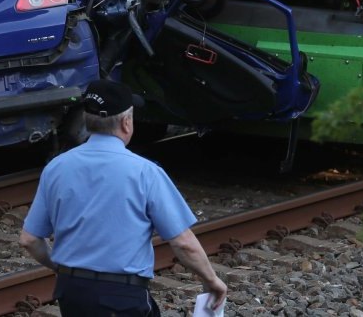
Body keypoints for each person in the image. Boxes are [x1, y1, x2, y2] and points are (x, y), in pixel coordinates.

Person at [19, 78, 228, 317]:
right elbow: (183, 243)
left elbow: (29, 240)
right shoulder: (144, 172)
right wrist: (212, 280)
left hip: (71, 292)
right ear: (126, 123)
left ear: (88, 121)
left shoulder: (56, 167)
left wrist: (61, 268)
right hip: (122, 296)